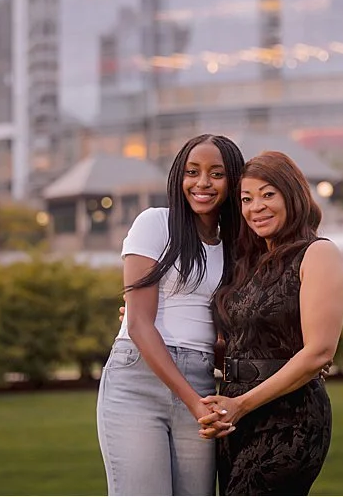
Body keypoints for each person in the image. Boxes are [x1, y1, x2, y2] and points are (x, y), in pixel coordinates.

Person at [96, 133, 246, 497]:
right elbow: (138, 323)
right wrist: (194, 403)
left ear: (234, 181)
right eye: (192, 172)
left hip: (199, 380)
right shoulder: (154, 224)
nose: (202, 183)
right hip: (138, 379)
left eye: (216, 174)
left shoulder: (236, 246)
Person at [200, 153, 343, 493]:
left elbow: (320, 352)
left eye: (268, 194)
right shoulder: (247, 265)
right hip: (235, 417)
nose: (256, 208)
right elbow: (235, 344)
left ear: (292, 195)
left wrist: (241, 405)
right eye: (246, 199)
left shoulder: (318, 253)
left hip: (290, 418)